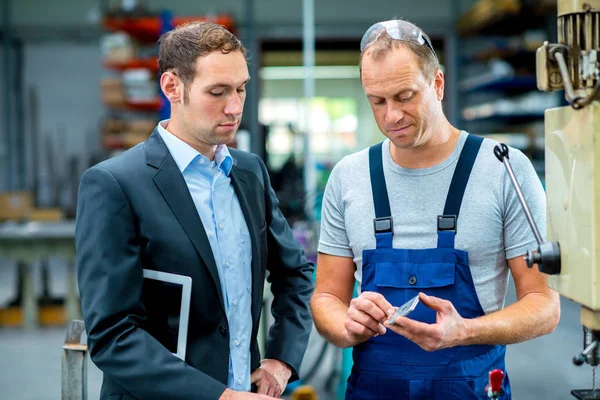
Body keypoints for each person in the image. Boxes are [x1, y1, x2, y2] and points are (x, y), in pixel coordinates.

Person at [310, 19, 560, 400]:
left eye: (405, 96)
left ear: (438, 84)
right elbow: (326, 298)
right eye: (377, 101)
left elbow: (544, 305)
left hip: (470, 389)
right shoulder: (349, 177)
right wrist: (348, 325)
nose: (391, 116)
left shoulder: (503, 167)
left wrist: (466, 331)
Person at [76, 22, 314, 400]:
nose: (234, 107)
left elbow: (296, 273)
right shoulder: (115, 185)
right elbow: (112, 335)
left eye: (241, 88)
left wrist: (281, 360)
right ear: (173, 87)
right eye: (217, 92)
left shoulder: (248, 171)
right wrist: (218, 397)